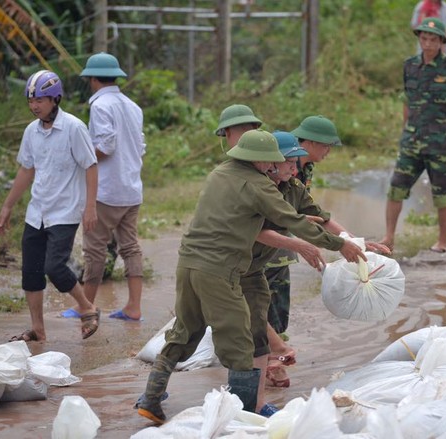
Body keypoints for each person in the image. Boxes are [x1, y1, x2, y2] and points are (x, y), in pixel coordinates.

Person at [136, 129, 366, 424]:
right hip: (220, 269)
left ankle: (151, 398)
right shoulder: (258, 184)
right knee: (239, 344)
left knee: (186, 330)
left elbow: (260, 215)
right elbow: (291, 220)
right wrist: (339, 245)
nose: (274, 166)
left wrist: (341, 236)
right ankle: (243, 417)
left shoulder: (219, 173)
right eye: (271, 161)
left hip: (189, 262)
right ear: (258, 159)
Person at [258, 132, 391, 395]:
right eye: (290, 163)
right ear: (271, 162)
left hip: (273, 258)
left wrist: (356, 242)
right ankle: (268, 367)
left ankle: (267, 370)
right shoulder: (258, 188)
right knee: (248, 314)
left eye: (297, 163)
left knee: (272, 314)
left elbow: (320, 218)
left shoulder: (292, 186)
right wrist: (308, 244)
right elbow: (264, 230)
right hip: (242, 260)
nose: (295, 169)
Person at [0, 70, 100, 342]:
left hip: (65, 211)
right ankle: (38, 330)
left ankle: (88, 308)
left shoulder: (74, 128)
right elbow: (26, 170)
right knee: (31, 272)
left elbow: (90, 166)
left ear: (55, 99)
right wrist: (8, 206)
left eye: (40, 100)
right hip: (37, 211)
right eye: (30, 101)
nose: (34, 106)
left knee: (54, 266)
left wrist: (91, 207)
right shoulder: (31, 131)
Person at [380, 18, 446, 254]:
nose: (428, 43)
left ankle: (443, 240)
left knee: (442, 195)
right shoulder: (410, 66)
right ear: (419, 39)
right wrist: (404, 131)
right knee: (396, 188)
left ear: (442, 41)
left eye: (433, 39)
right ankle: (389, 237)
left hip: (441, 144)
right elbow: (407, 100)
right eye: (424, 38)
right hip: (412, 142)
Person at [69, 52, 147, 322]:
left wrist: (82, 157)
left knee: (94, 249)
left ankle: (85, 306)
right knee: (130, 247)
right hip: (131, 189)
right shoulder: (133, 107)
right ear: (116, 77)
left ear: (92, 79)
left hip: (106, 191)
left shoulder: (101, 106)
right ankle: (133, 307)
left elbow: (105, 145)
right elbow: (140, 146)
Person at [290, 115, 342, 190]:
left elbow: (305, 198)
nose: (328, 151)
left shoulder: (308, 167)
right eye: (326, 146)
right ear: (313, 142)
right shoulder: (285, 166)